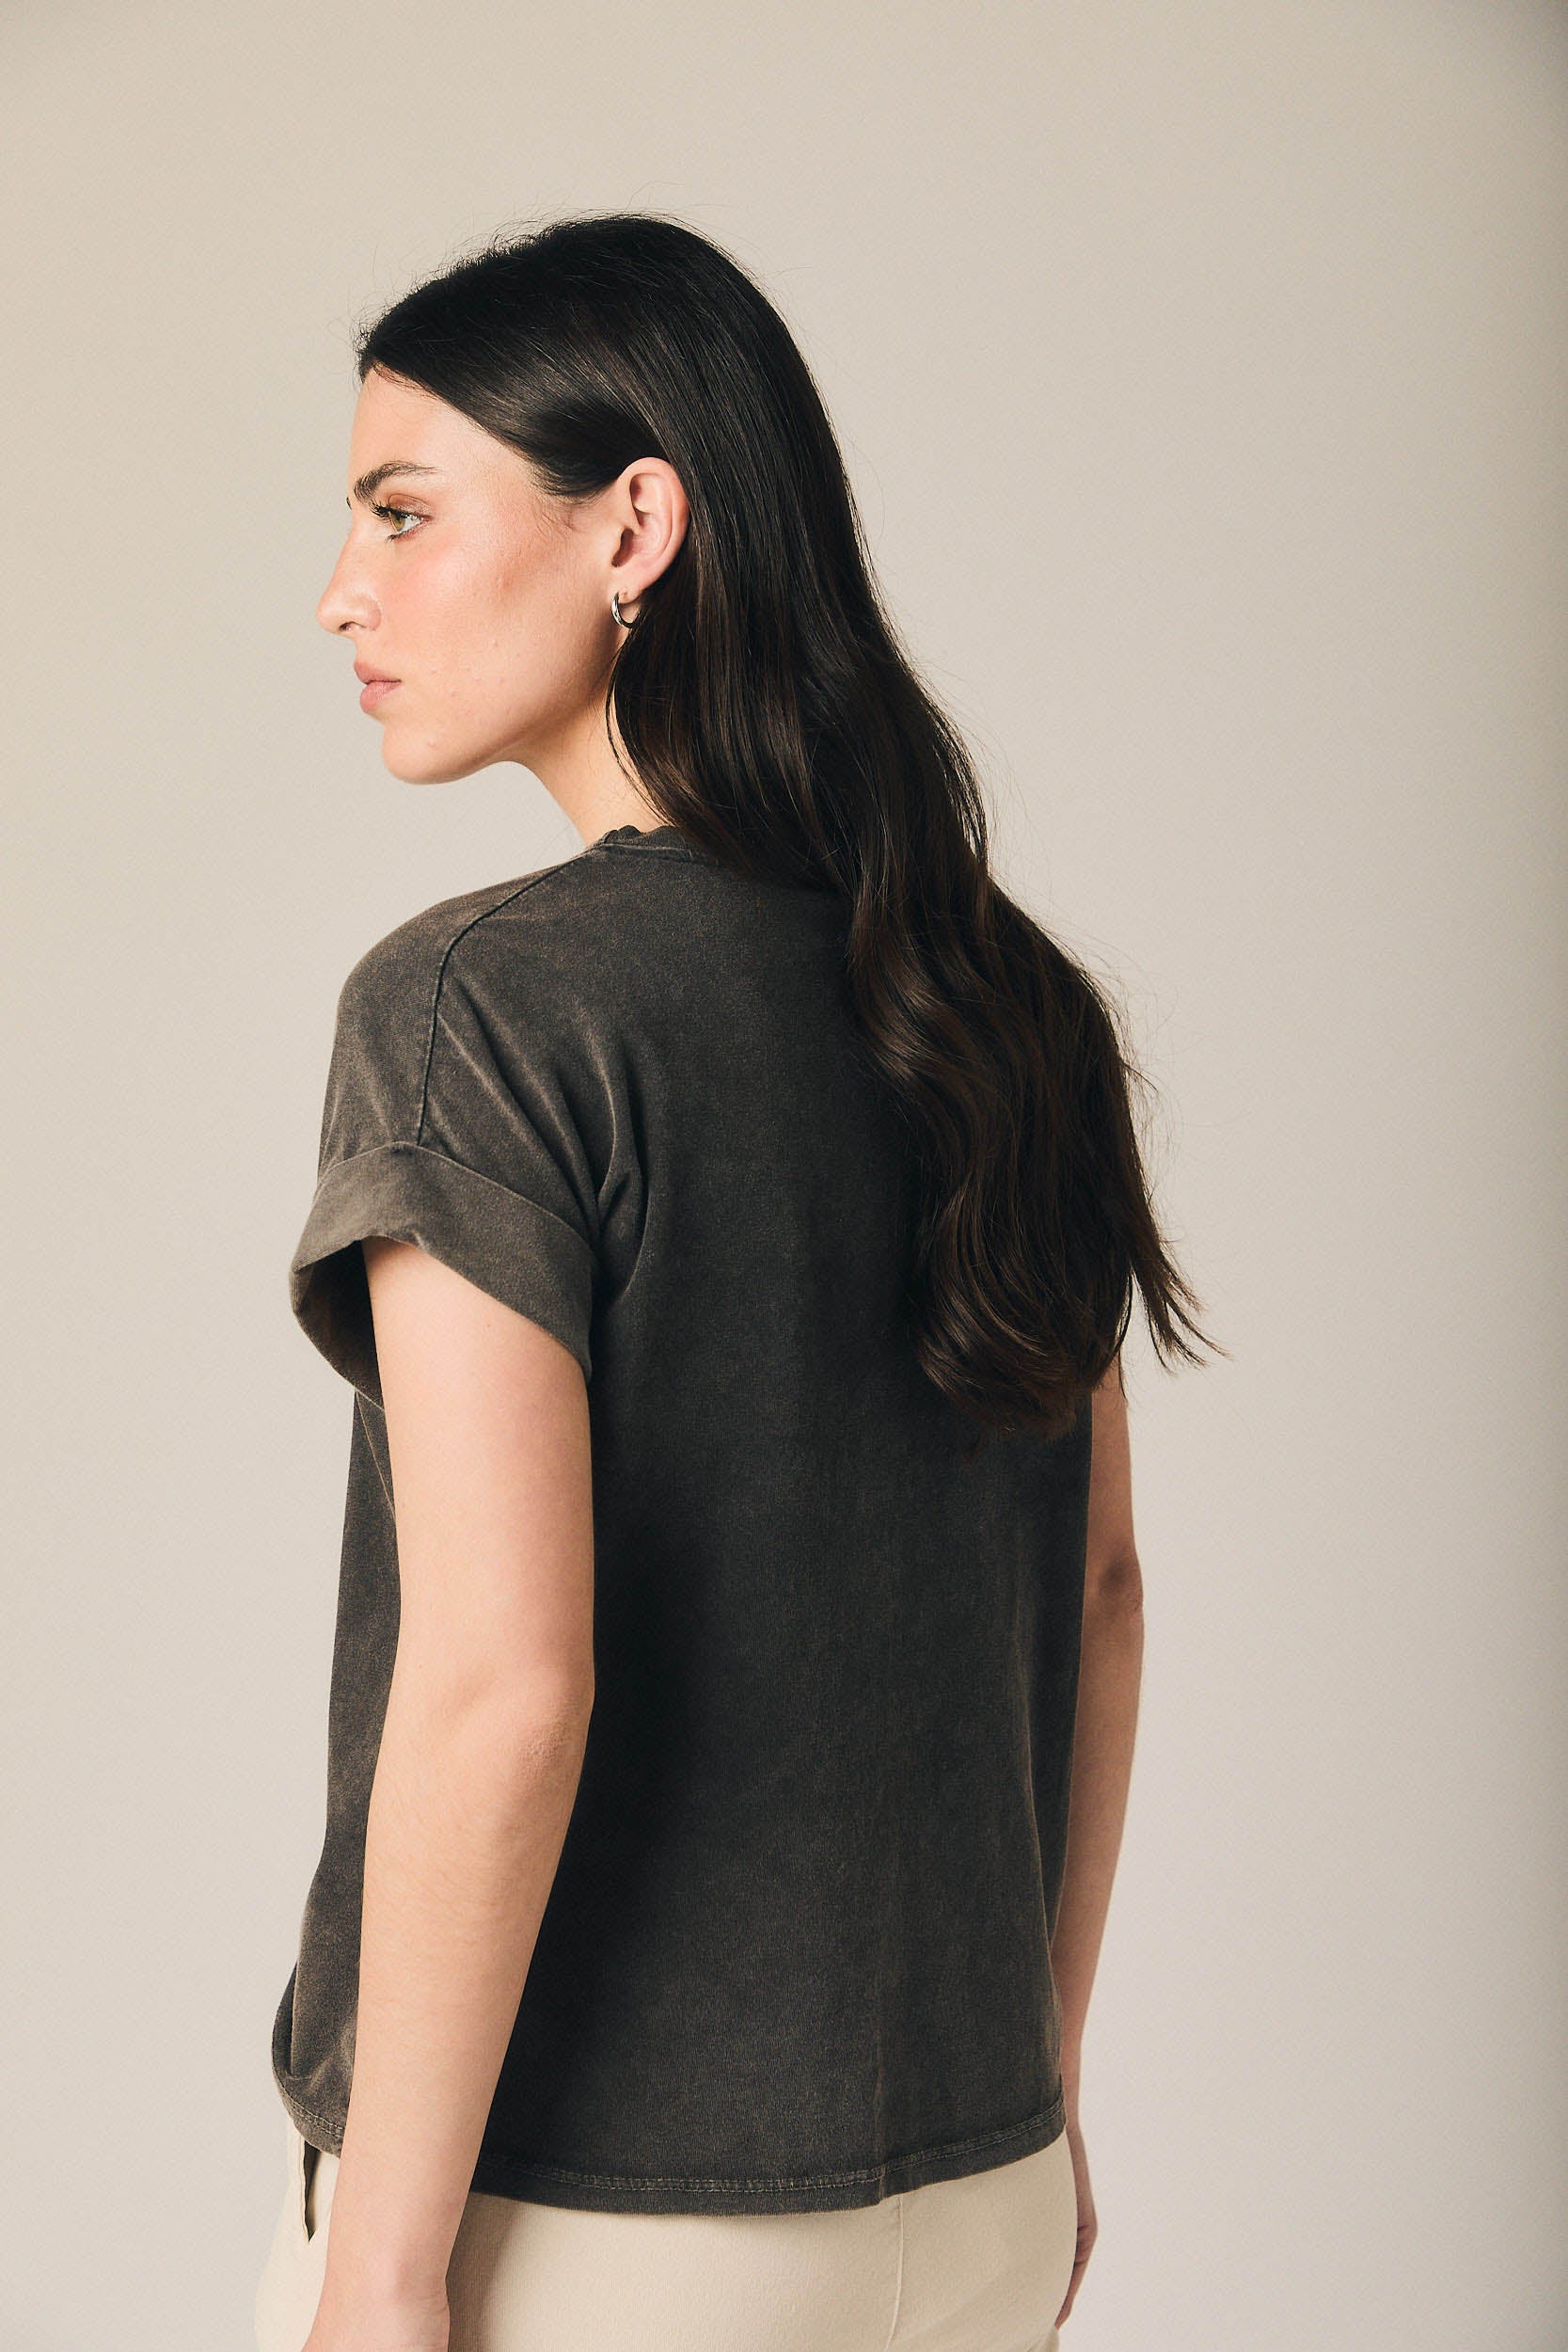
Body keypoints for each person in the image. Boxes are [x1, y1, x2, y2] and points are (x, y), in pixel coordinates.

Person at [252, 209, 1218, 2352]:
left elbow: (505, 1682)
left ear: (635, 526)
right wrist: (1039, 2101)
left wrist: (384, 2270)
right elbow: (1101, 1598)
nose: (343, 591)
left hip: (588, 2239)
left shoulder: (481, 1012)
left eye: (403, 512)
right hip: (976, 2197)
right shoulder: (1004, 1003)